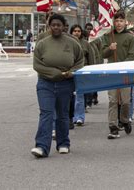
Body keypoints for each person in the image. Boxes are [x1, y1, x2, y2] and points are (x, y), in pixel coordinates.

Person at [31, 13, 84, 158]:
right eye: (53, 25)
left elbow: (80, 61)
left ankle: (63, 143)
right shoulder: (42, 43)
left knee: (62, 115)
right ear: (49, 26)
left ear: (63, 27)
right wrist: (53, 73)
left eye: (58, 25)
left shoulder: (72, 42)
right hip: (45, 83)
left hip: (65, 84)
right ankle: (41, 146)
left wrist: (72, 72)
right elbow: (37, 64)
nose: (56, 27)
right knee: (46, 114)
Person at [101, 10, 134, 139]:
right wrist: (109, 49)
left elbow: (133, 55)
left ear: (125, 22)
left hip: (125, 72)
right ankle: (113, 127)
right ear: (113, 22)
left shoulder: (130, 37)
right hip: (112, 72)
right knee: (113, 100)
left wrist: (122, 66)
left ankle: (124, 119)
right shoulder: (108, 36)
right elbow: (103, 54)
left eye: (121, 21)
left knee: (126, 101)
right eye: (116, 21)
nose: (118, 23)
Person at [70, 24, 95, 126]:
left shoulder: (85, 44)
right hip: (69, 72)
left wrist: (91, 71)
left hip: (81, 72)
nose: (76, 33)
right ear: (71, 32)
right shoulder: (66, 42)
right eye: (74, 31)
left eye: (78, 31)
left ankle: (79, 117)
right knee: (70, 97)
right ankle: (70, 117)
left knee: (80, 96)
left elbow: (91, 58)